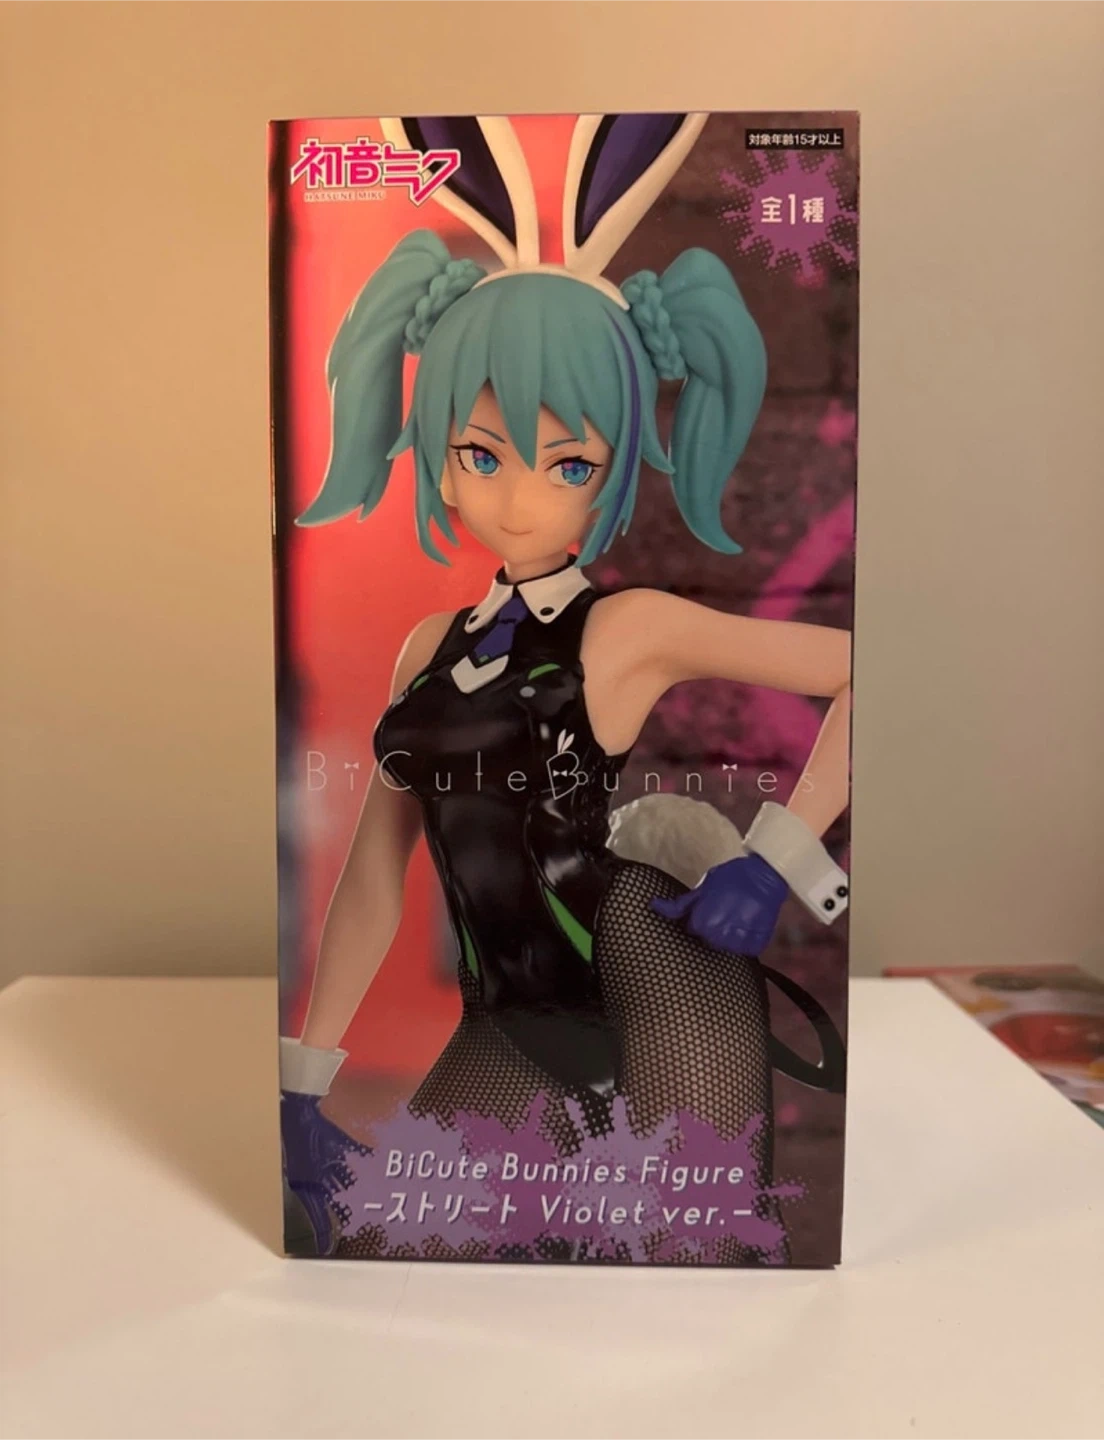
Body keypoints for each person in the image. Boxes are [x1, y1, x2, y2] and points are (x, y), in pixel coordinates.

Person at [277, 114, 851, 1259]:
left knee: (689, 1264)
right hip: (510, 1015)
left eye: (569, 461)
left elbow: (862, 674)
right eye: (482, 454)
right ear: (439, 453)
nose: (522, 498)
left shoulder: (628, 628)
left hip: (659, 969)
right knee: (395, 1249)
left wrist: (775, 859)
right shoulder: (427, 648)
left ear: (614, 466)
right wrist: (304, 1077)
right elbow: (374, 881)